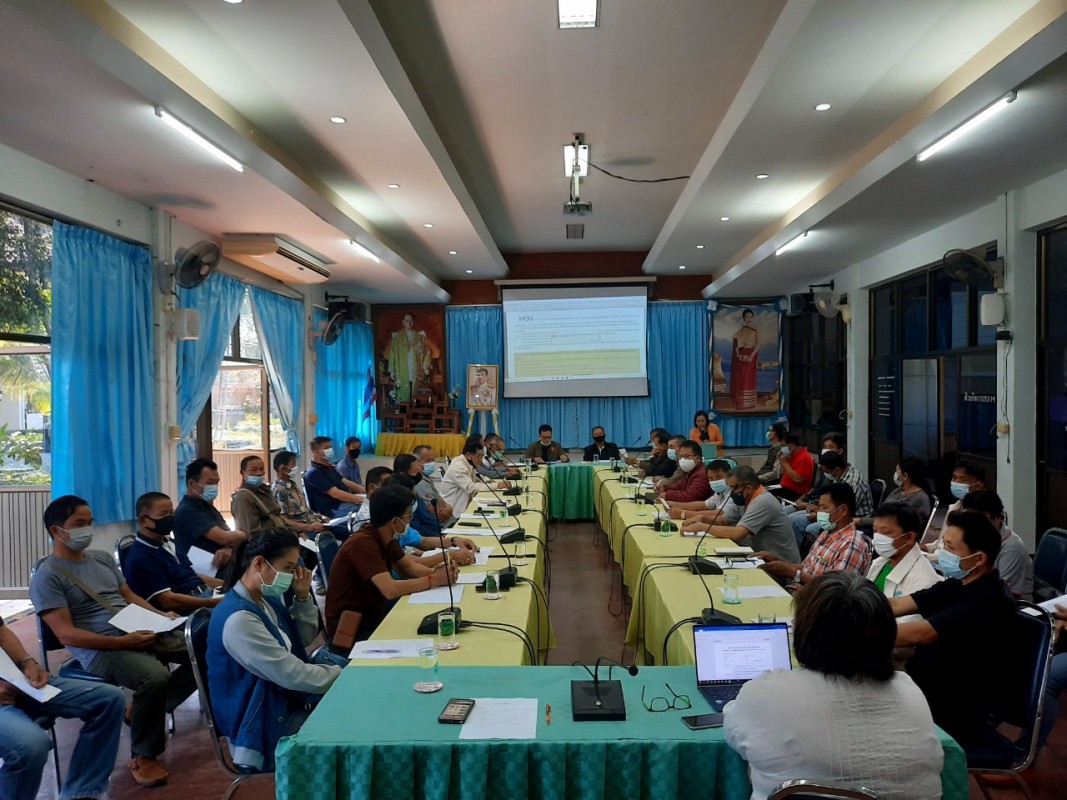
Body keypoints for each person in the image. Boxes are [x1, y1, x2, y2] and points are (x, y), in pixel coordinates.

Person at [724, 572, 944, 800]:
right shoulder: (909, 691)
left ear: (803, 632)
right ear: (886, 635)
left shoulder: (764, 693)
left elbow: (734, 733)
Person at [30, 496, 198, 787]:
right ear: (57, 531)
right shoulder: (48, 576)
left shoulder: (102, 558)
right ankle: (144, 755)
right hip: (98, 646)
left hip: (136, 628)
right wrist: (125, 643)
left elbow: (129, 597)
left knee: (206, 650)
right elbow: (67, 634)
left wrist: (161, 615)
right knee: (154, 676)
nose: (88, 530)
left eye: (90, 523)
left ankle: (146, 709)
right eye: (79, 524)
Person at [207, 530, 345, 773]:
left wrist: (302, 598)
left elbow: (295, 643)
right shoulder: (239, 619)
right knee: (350, 727)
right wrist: (346, 675)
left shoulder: (262, 599)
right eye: (288, 568)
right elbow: (293, 674)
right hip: (261, 726)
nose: (292, 576)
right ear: (259, 563)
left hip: (279, 701)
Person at [890, 510, 1017, 744]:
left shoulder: (989, 599)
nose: (942, 554)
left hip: (957, 706)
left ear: (979, 558)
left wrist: (856, 632)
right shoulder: (957, 583)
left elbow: (922, 633)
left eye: (950, 548)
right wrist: (850, 606)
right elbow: (898, 604)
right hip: (929, 686)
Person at [0, 616, 125, 800]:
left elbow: (2, 632)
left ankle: (81, 792)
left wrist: (27, 662)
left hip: (13, 681)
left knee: (108, 699)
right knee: (30, 746)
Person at [324, 483, 460, 640]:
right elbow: (390, 589)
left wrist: (443, 574)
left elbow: (409, 569)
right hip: (353, 630)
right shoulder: (363, 544)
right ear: (395, 522)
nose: (410, 521)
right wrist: (434, 579)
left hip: (374, 612)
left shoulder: (387, 537)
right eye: (409, 517)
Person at [758, 482, 871, 588]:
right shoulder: (827, 533)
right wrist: (776, 560)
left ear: (842, 510)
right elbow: (808, 567)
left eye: (824, 508)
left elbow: (835, 590)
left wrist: (792, 573)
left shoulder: (851, 545)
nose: (819, 512)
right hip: (804, 591)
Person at [124, 492, 222, 613]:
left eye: (171, 513)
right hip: (190, 610)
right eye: (163, 514)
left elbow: (192, 575)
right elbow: (168, 600)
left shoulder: (169, 543)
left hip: (206, 595)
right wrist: (213, 603)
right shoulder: (141, 557)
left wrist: (230, 586)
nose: (170, 518)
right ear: (144, 521)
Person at [689, 466, 800, 561]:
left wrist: (702, 527)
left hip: (781, 566)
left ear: (747, 488)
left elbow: (738, 533)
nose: (731, 492)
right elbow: (723, 520)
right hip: (759, 557)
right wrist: (702, 518)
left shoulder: (763, 502)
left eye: (732, 488)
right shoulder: (743, 499)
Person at [175, 457, 248, 574]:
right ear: (192, 484)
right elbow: (224, 537)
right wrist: (243, 533)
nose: (214, 487)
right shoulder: (187, 510)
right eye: (209, 483)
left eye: (216, 483)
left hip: (225, 565)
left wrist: (227, 547)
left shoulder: (206, 506)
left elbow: (229, 536)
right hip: (203, 575)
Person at [787, 451, 873, 550]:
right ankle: (802, 557)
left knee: (811, 529)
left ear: (836, 470)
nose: (826, 475)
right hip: (833, 511)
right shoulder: (840, 475)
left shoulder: (854, 483)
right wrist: (817, 507)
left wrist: (819, 513)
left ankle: (819, 554)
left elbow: (844, 510)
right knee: (795, 521)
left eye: (827, 472)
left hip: (853, 519)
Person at [866, 502, 942, 610]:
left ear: (909, 538)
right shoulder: (881, 562)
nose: (877, 538)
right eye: (875, 531)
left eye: (886, 533)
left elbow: (906, 624)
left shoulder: (924, 584)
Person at [961, 490, 1034, 600]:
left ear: (999, 518)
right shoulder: (977, 538)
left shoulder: (1012, 548)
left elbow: (1002, 594)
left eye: (982, 519)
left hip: (1012, 608)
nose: (975, 525)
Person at [923, 461, 988, 558]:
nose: (956, 483)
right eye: (954, 478)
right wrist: (924, 548)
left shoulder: (979, 515)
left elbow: (958, 554)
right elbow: (942, 542)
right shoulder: (954, 508)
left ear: (978, 486)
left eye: (962, 480)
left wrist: (927, 558)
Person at [271, 450, 336, 537]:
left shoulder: (292, 485)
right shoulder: (279, 489)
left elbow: (303, 511)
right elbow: (284, 520)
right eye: (293, 464)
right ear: (283, 468)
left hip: (313, 523)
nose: (296, 467)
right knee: (329, 539)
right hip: (303, 531)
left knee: (343, 529)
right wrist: (309, 527)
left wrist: (319, 516)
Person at [858, 457, 932, 529]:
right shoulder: (898, 491)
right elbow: (882, 511)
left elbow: (889, 520)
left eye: (897, 472)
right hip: (880, 527)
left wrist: (860, 521)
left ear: (905, 476)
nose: (895, 474)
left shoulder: (919, 499)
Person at [304, 436, 366, 518]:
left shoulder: (328, 466)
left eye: (331, 447)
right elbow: (336, 494)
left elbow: (345, 481)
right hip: (331, 509)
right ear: (316, 452)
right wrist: (364, 500)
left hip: (340, 503)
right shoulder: (314, 472)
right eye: (326, 448)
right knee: (365, 511)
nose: (330, 450)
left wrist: (366, 490)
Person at [667, 459, 742, 526]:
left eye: (719, 477)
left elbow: (719, 513)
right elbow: (703, 505)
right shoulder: (719, 492)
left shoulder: (734, 492)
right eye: (711, 478)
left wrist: (683, 513)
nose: (715, 481)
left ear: (729, 476)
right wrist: (674, 504)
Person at [441, 439, 510, 511]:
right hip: (451, 511)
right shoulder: (458, 467)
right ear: (468, 455)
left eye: (482, 456)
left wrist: (489, 481)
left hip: (462, 506)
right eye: (478, 456)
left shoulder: (467, 463)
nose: (480, 460)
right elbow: (471, 487)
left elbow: (476, 478)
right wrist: (497, 485)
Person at [230, 455, 289, 535]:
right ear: (243, 473)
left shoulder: (265, 490)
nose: (259, 473)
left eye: (261, 469)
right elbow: (251, 532)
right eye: (254, 470)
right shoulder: (243, 497)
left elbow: (278, 517)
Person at [386, 312, 432, 401]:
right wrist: (392, 370)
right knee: (403, 391)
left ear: (413, 322)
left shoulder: (420, 336)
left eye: (411, 321)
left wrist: (426, 367)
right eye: (407, 321)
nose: (409, 323)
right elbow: (392, 354)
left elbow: (427, 352)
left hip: (416, 368)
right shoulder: (397, 337)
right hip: (402, 368)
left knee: (416, 391)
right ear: (403, 322)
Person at [413, 445, 456, 525]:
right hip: (441, 526)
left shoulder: (427, 478)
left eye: (433, 460)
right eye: (428, 460)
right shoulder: (420, 483)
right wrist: (448, 510)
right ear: (416, 462)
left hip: (449, 520)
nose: (432, 463)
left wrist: (448, 508)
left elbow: (439, 499)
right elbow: (436, 513)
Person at [729, 308, 759, 410]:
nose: (749, 319)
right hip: (742, 356)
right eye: (747, 317)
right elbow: (737, 343)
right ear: (744, 318)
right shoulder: (741, 331)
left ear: (753, 318)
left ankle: (750, 403)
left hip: (752, 356)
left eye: (751, 316)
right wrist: (739, 355)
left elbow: (758, 344)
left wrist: (751, 356)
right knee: (742, 378)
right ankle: (741, 403)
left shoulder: (755, 329)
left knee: (749, 378)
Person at [770, 433, 814, 501]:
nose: (782, 449)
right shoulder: (791, 455)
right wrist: (781, 461)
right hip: (784, 487)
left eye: (783, 446)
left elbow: (798, 479)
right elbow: (784, 472)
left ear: (792, 445)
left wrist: (785, 463)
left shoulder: (804, 458)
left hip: (795, 492)